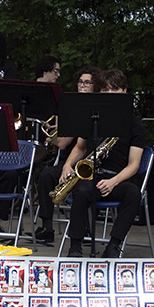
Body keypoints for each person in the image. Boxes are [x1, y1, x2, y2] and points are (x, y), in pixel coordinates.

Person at [58, 69, 147, 258]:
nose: (110, 95)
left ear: (124, 91)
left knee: (133, 194)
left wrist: (113, 182)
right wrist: (67, 165)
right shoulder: (93, 118)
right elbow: (80, 148)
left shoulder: (135, 125)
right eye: (105, 90)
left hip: (117, 178)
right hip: (91, 176)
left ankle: (114, 245)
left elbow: (134, 164)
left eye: (115, 90)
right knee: (80, 192)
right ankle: (75, 246)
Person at [31, 64, 100, 241]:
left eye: (87, 83)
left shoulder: (101, 108)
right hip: (71, 162)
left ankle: (83, 226)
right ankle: (47, 228)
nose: (82, 86)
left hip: (95, 164)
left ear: (96, 86)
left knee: (83, 186)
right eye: (80, 82)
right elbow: (62, 143)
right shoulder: (70, 107)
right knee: (46, 176)